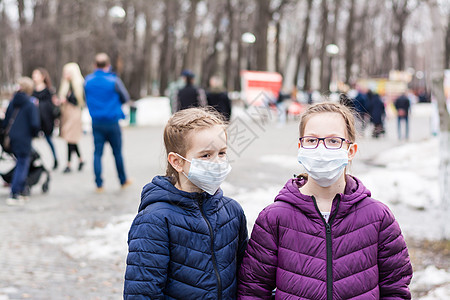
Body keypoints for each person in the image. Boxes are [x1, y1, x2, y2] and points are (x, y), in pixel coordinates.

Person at [238, 101, 412, 299]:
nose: (321, 149)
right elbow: (253, 289)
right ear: (300, 148)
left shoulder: (379, 218)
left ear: (351, 151)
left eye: (333, 141)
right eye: (311, 140)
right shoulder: (274, 218)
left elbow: (395, 289)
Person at [124, 107, 248, 299]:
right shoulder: (154, 220)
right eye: (206, 155)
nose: (217, 162)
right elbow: (142, 292)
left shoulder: (232, 211)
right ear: (177, 161)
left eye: (222, 153)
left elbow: (244, 275)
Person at [84, 53, 131, 192]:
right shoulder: (113, 80)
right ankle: (123, 180)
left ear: (94, 66)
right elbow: (125, 97)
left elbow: (85, 97)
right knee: (117, 152)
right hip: (112, 121)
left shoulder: (88, 81)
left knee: (97, 153)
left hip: (96, 122)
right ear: (108, 65)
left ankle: (99, 184)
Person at [3, 77, 40, 205]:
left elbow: (6, 121)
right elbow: (35, 123)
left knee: (20, 163)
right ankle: (15, 192)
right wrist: (34, 134)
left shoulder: (13, 102)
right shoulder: (30, 104)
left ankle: (22, 190)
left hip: (12, 138)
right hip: (24, 138)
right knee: (23, 164)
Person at [58, 62, 85, 173]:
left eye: (67, 72)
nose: (65, 74)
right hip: (66, 114)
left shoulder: (79, 85)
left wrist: (66, 99)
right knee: (71, 139)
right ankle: (80, 159)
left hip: (75, 113)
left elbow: (79, 101)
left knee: (70, 138)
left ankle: (68, 163)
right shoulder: (65, 85)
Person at [31, 68, 58, 169]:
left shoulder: (48, 91)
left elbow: (51, 106)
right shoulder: (32, 91)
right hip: (35, 120)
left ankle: (55, 159)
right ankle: (33, 159)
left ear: (43, 77)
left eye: (36, 74)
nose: (34, 77)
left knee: (49, 139)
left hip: (46, 119)